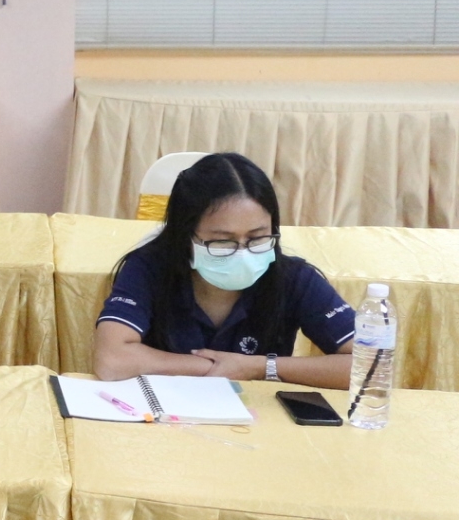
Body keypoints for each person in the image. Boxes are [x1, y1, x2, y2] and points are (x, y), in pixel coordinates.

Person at [94, 153, 353, 387]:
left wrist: (259, 367)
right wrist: (225, 368)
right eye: (222, 242)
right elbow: (112, 360)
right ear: (185, 238)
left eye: (257, 237)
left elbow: (369, 365)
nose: (242, 252)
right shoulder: (148, 267)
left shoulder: (294, 278)